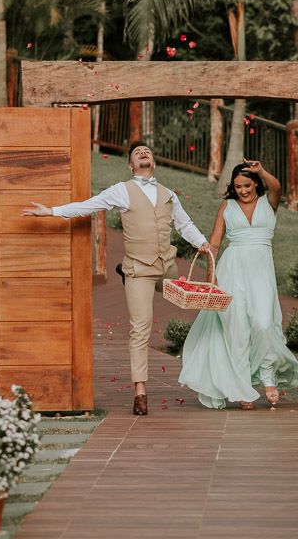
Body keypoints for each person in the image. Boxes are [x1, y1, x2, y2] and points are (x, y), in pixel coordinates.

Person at [22, 141, 210, 416]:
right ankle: (140, 391)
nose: (143, 153)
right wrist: (52, 211)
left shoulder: (168, 194)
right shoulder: (122, 191)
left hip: (167, 268)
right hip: (141, 271)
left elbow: (184, 224)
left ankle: (126, 272)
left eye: (147, 151)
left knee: (189, 300)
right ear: (131, 165)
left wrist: (202, 243)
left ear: (154, 163)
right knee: (141, 326)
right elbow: (89, 205)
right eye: (137, 152)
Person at [178, 160, 298, 409]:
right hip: (232, 270)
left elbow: (278, 188)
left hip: (261, 273)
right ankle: (242, 387)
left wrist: (261, 171)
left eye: (247, 185)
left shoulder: (269, 202)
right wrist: (210, 282)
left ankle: (268, 378)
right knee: (236, 330)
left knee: (264, 323)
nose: (243, 191)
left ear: (256, 183)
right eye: (238, 187)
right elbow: (214, 245)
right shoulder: (227, 207)